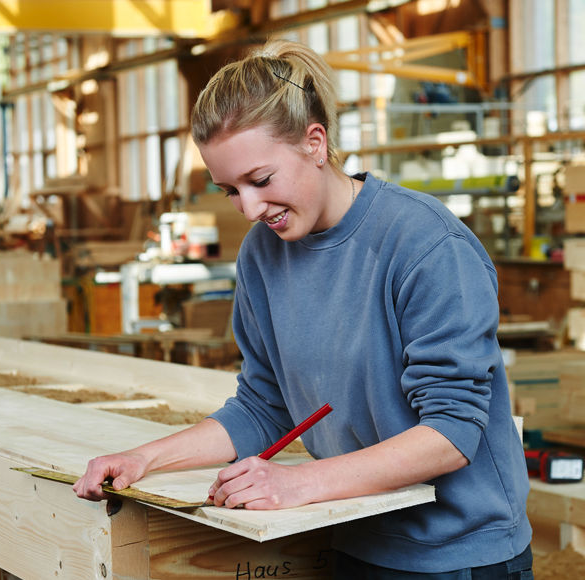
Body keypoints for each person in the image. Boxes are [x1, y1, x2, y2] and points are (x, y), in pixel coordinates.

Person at [73, 39, 532, 579]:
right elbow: (263, 408)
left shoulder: (426, 246)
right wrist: (144, 459)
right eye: (230, 191)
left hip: (456, 556)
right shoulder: (263, 255)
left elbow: (452, 431)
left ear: (316, 143)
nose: (248, 208)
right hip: (347, 531)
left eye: (261, 180)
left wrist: (298, 482)